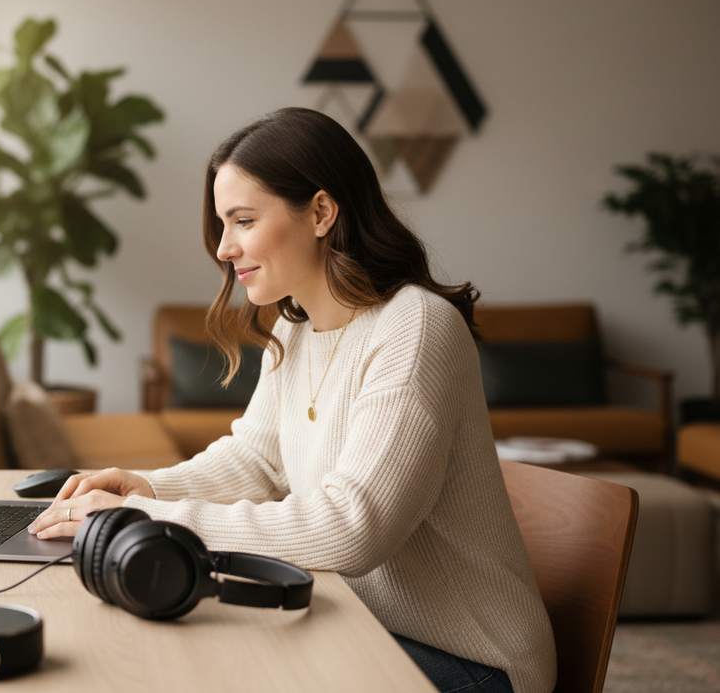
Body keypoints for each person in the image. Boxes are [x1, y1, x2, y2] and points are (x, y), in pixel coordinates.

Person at [29, 107, 556, 693]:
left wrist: (146, 521)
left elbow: (352, 529)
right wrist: (148, 487)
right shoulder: (295, 327)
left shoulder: (416, 328)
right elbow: (257, 460)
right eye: (224, 224)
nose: (225, 248)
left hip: (469, 661)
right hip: (360, 623)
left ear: (322, 212)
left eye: (244, 220)